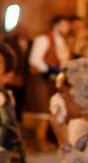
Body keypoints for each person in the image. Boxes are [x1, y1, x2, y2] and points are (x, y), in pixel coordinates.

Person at [26, 15, 71, 151]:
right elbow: (34, 59)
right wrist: (49, 69)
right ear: (56, 25)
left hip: (54, 80)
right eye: (65, 24)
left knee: (51, 109)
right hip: (41, 79)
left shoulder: (63, 42)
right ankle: (37, 141)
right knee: (40, 108)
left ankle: (45, 139)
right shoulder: (44, 39)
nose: (67, 28)